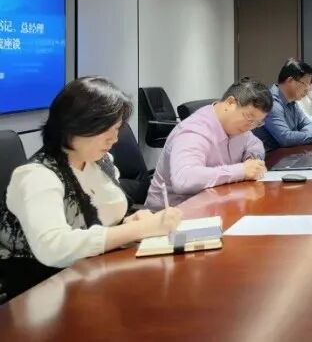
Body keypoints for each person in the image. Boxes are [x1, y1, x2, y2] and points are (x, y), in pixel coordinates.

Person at [0, 77, 182, 300]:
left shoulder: (100, 161)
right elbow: (54, 248)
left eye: (117, 129)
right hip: (46, 293)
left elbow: (101, 219)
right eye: (108, 129)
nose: (114, 139)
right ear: (77, 125)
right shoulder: (37, 176)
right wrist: (138, 230)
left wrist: (129, 221)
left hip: (98, 275)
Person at [145, 78, 272, 210]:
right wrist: (241, 171)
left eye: (257, 123)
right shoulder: (194, 130)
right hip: (172, 213)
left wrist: (252, 159)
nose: (251, 126)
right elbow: (184, 179)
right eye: (249, 118)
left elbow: (255, 144)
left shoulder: (239, 128)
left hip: (215, 203)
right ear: (230, 103)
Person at [253, 59, 312, 151]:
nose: (308, 89)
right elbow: (286, 138)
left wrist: (306, 135)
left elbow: (307, 123)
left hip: (287, 153)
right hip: (268, 157)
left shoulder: (292, 102)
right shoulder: (271, 103)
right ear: (290, 81)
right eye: (305, 84)